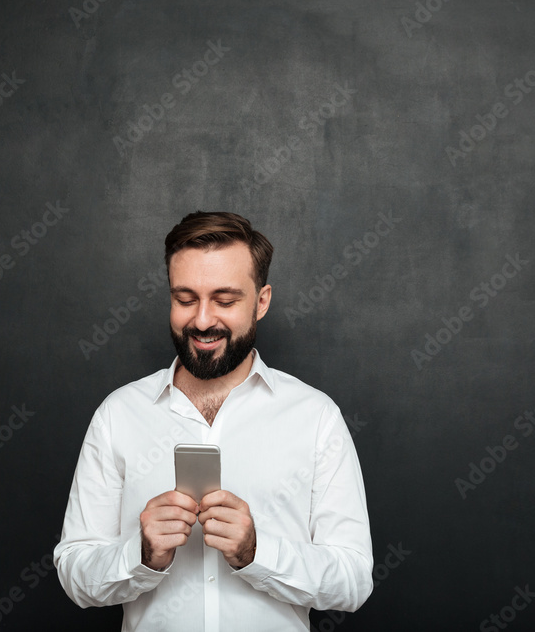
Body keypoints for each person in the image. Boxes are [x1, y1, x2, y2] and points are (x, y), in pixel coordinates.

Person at [54, 211, 373, 631]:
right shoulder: (118, 415)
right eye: (185, 299)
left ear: (261, 302)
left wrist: (258, 553)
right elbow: (75, 573)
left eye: (224, 300)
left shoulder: (316, 418)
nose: (202, 320)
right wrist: (141, 555)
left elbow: (352, 582)